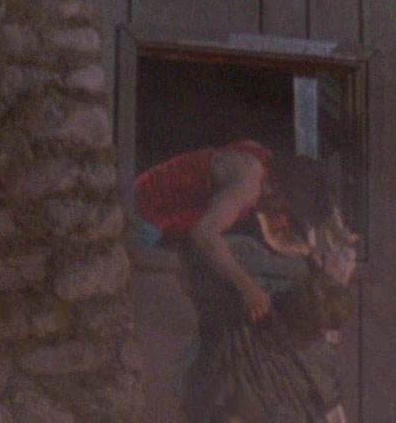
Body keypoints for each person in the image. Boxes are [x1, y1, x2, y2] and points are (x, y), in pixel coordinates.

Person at [134, 141, 357, 423]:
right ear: (277, 190)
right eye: (286, 209)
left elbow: (275, 236)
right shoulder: (249, 179)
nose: (284, 218)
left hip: (172, 227)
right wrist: (248, 287)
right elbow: (204, 234)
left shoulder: (267, 177)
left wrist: (307, 253)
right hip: (144, 217)